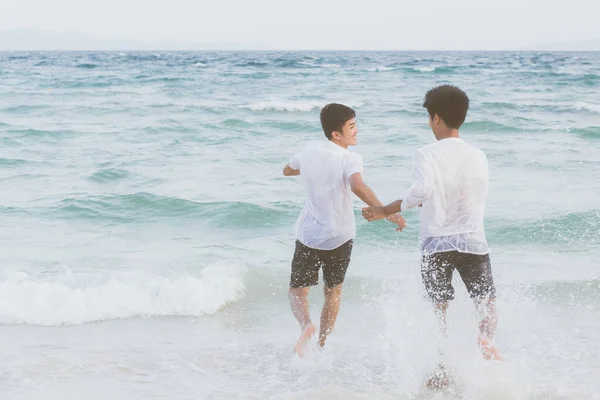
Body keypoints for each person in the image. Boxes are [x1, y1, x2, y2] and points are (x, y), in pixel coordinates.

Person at [361, 85, 502, 363]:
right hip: (472, 241)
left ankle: (441, 363)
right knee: (487, 302)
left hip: (436, 243)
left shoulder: (426, 153)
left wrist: (384, 210)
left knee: (439, 308)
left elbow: (421, 191)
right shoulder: (478, 155)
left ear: (436, 118)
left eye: (429, 118)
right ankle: (486, 341)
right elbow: (470, 194)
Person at [283, 103, 406, 357]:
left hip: (309, 234)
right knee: (333, 291)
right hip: (340, 236)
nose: (357, 131)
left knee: (297, 290)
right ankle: (322, 346)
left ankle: (306, 326)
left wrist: (310, 170)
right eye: (351, 127)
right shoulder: (349, 158)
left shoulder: (309, 150)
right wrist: (385, 211)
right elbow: (357, 185)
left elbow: (287, 170)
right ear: (336, 134)